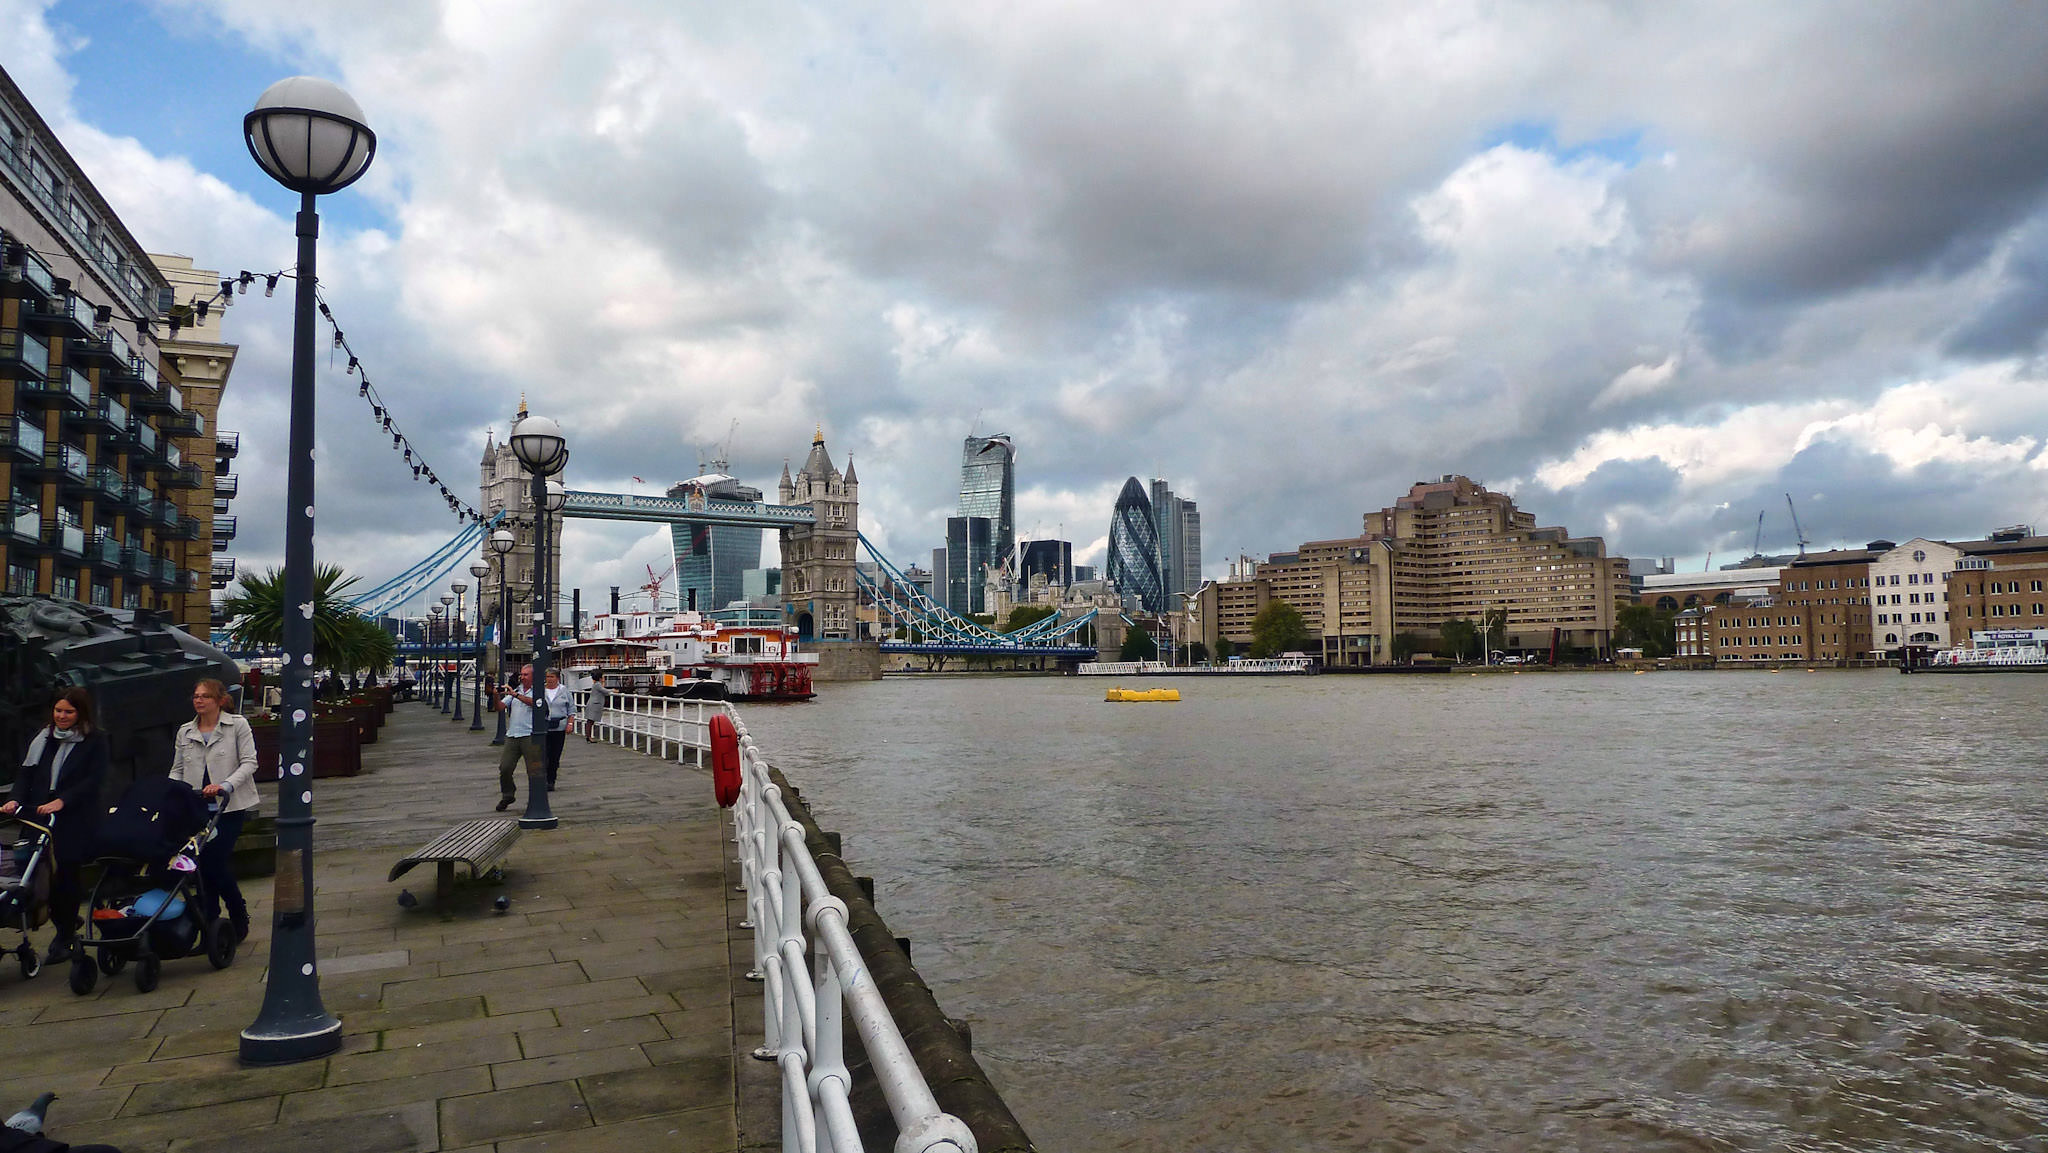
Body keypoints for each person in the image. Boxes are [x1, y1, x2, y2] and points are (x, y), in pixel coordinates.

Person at [3, 688, 109, 964]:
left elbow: (94, 781)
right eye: (58, 711)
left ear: (80, 714)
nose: (62, 717)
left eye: (68, 712)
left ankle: (64, 935)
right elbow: (27, 773)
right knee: (37, 873)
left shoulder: (95, 740)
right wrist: (15, 800)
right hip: (40, 814)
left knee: (65, 874)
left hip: (74, 816)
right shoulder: (42, 738)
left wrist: (64, 800)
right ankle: (64, 919)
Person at [168, 678, 259, 943]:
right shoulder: (185, 732)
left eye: (206, 696)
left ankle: (235, 910)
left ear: (219, 700)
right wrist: (173, 791)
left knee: (214, 861)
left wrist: (226, 785)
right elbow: (177, 768)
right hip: (196, 809)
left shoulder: (237, 725)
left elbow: (249, 762)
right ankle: (210, 919)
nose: (199, 700)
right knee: (200, 864)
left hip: (228, 807)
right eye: (196, 696)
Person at [496, 664, 543, 811]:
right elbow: (500, 708)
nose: (522, 677)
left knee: (534, 769)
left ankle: (536, 799)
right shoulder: (516, 690)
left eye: (526, 675)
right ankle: (508, 794)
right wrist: (495, 695)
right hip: (513, 735)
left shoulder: (539, 691)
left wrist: (515, 695)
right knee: (505, 767)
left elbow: (535, 704)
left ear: (533, 677)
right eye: (521, 675)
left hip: (529, 735)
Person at [542, 668, 575, 790]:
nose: (549, 679)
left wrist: (570, 724)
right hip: (544, 726)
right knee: (544, 755)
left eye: (551, 677)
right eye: (547, 677)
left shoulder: (564, 691)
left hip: (559, 726)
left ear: (557, 678)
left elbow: (571, 709)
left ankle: (551, 780)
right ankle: (544, 778)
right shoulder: (540, 691)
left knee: (555, 755)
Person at [582, 675, 607, 743]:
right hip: (594, 704)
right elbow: (605, 691)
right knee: (590, 721)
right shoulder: (598, 684)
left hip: (592, 703)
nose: (604, 678)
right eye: (603, 677)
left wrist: (603, 682)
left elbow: (602, 690)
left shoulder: (596, 684)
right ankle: (588, 737)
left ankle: (588, 737)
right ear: (600, 678)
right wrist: (614, 690)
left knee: (590, 721)